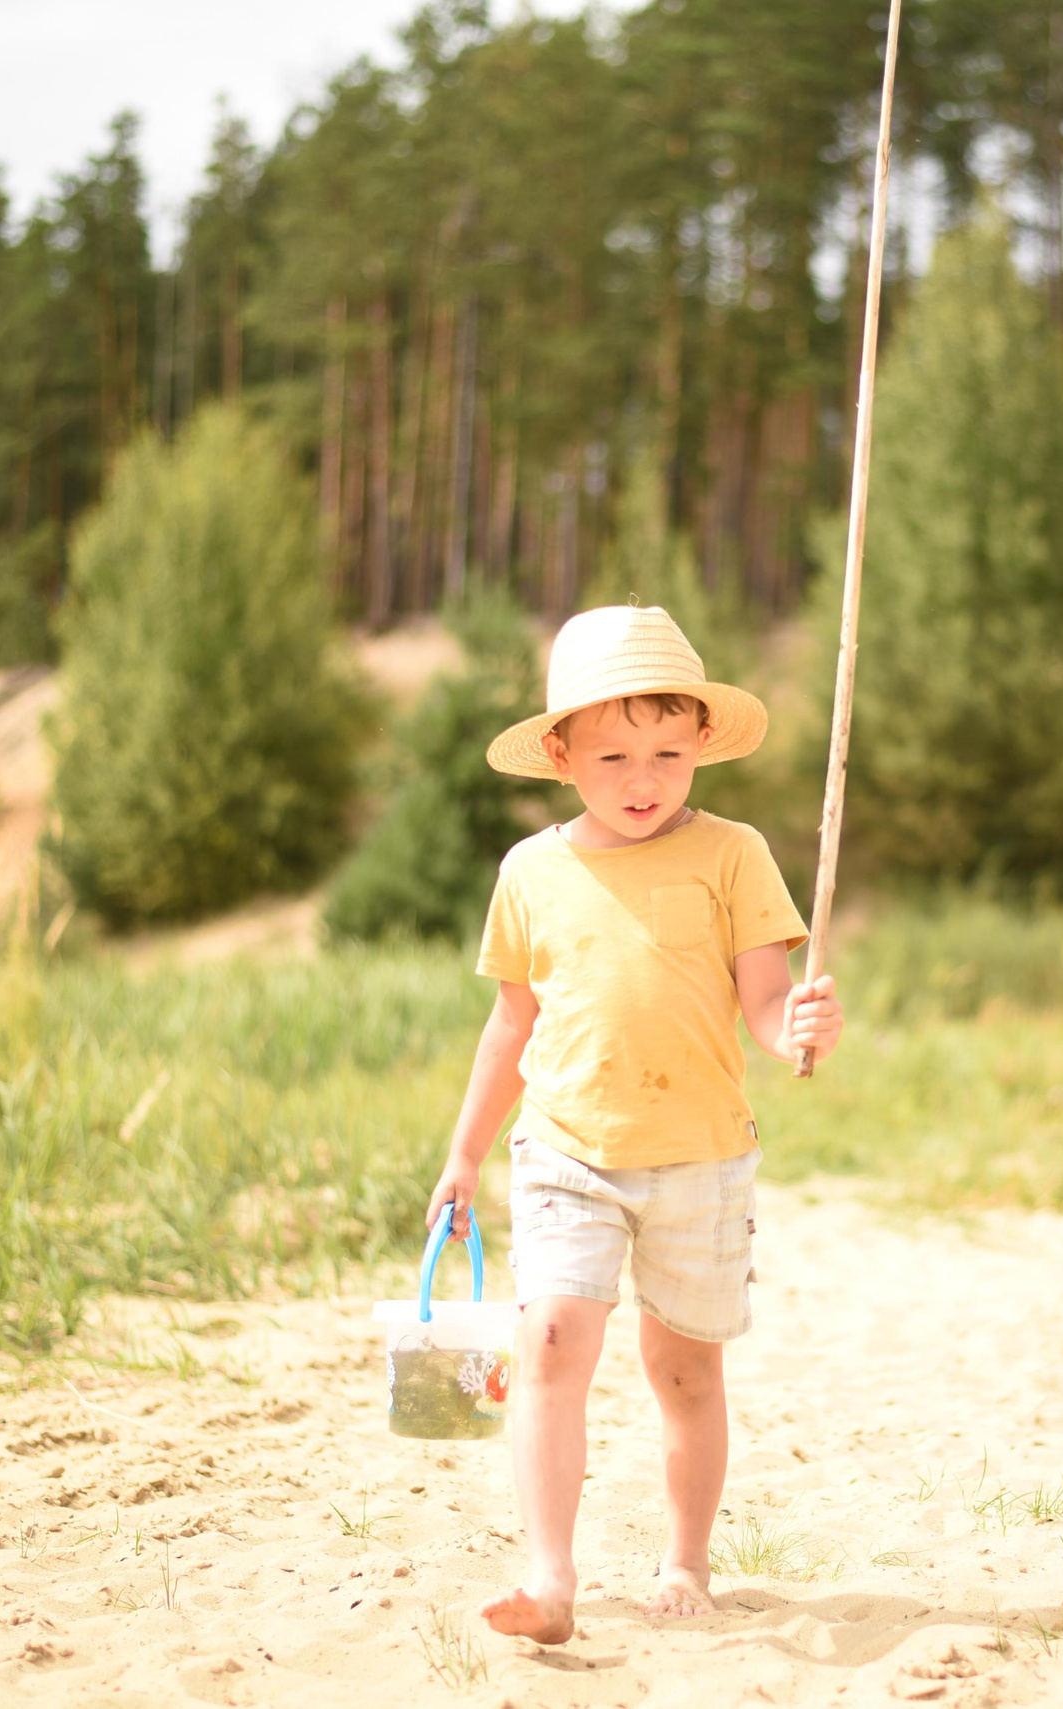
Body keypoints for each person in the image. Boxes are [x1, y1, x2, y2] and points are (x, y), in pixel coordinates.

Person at [424, 604, 844, 1647]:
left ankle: (685, 1558)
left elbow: (760, 1005)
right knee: (553, 1336)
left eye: (666, 748)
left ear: (701, 740)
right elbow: (510, 1023)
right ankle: (550, 1573)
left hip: (700, 1155)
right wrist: (465, 1151)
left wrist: (796, 1023)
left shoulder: (735, 853)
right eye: (612, 752)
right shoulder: (531, 870)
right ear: (560, 753)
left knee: (683, 1370)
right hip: (567, 1148)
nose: (642, 774)